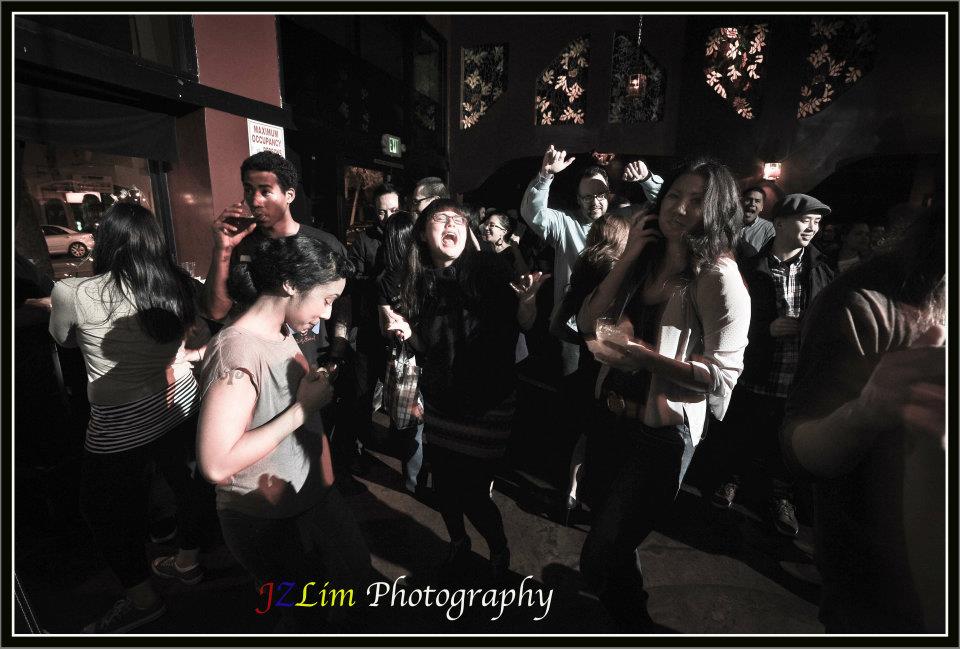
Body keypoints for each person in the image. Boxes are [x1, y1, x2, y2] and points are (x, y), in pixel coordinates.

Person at [576, 158, 750, 630]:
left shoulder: (718, 278)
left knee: (598, 557)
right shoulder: (643, 260)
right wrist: (629, 254)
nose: (680, 208)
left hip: (660, 436)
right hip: (609, 418)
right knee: (614, 545)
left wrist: (643, 356)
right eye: (674, 195)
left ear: (717, 211)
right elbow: (587, 322)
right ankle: (634, 622)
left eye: (696, 201)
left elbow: (722, 378)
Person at [780, 206, 945, 633]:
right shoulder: (865, 303)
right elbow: (800, 450)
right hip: (882, 592)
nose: (811, 228)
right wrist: (868, 410)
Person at [197, 235, 371, 632]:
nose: (327, 314)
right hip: (268, 519)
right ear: (290, 284)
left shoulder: (279, 330)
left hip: (308, 501)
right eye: (325, 300)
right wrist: (301, 409)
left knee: (347, 589)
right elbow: (216, 464)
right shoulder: (237, 349)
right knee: (305, 617)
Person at [49, 203, 209, 633]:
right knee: (189, 485)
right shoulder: (177, 283)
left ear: (106, 243)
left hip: (120, 423)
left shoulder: (72, 292)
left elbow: (63, 339)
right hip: (179, 404)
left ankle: (143, 600)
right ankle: (189, 561)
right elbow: (199, 329)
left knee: (101, 509)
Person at [385, 199, 548, 577]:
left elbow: (523, 324)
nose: (451, 225)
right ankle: (458, 542)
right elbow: (427, 347)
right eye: (440, 219)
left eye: (457, 220)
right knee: (443, 485)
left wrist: (527, 304)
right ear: (422, 235)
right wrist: (408, 332)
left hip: (487, 402)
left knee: (473, 491)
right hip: (442, 400)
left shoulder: (490, 269)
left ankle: (498, 549)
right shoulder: (418, 281)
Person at [199, 151, 359, 493]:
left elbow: (341, 304)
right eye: (248, 190)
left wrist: (338, 349)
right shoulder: (244, 244)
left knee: (310, 440)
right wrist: (223, 250)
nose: (255, 200)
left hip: (308, 356)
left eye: (265, 190)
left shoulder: (322, 245)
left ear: (289, 195)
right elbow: (216, 311)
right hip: (259, 365)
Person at [709, 193, 835, 537]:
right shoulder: (750, 268)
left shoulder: (822, 269)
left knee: (784, 442)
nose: (813, 228)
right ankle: (729, 481)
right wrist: (767, 328)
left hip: (797, 376)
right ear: (779, 223)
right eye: (805, 220)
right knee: (742, 431)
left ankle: (781, 497)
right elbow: (727, 319)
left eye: (817, 222)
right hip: (757, 369)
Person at [520, 145, 663, 377]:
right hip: (573, 328)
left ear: (609, 195)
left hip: (616, 326)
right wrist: (545, 176)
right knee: (571, 385)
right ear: (578, 199)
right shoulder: (565, 223)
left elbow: (664, 206)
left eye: (600, 195)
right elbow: (532, 214)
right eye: (587, 197)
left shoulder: (625, 219)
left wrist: (647, 179)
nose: (595, 202)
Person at [548, 211, 633, 521]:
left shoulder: (583, 268)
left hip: (588, 362)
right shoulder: (619, 271)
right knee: (606, 434)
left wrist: (586, 340)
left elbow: (556, 326)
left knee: (584, 430)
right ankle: (597, 502)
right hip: (615, 365)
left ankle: (570, 493)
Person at [736, 186, 776, 259]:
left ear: (762, 207)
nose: (752, 204)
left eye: (757, 201)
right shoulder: (728, 224)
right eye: (748, 200)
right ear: (740, 202)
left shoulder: (769, 228)